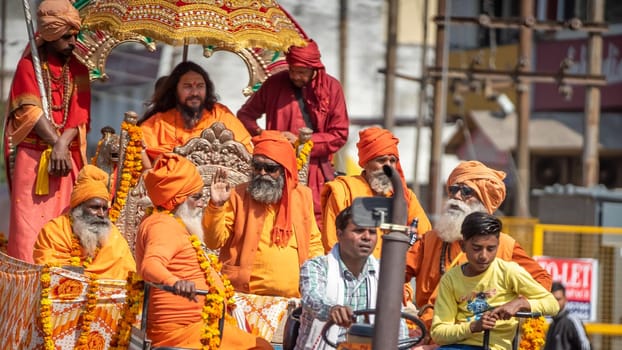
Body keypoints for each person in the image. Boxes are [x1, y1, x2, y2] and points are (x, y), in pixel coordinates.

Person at [136, 153, 271, 349]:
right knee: (260, 347)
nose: (201, 203)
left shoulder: (169, 222)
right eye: (197, 197)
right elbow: (150, 265)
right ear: (177, 199)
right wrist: (176, 282)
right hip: (182, 333)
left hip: (196, 326)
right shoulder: (163, 225)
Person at [405, 160, 552, 332]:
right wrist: (406, 302)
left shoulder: (504, 245)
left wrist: (517, 303)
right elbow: (396, 274)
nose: (457, 196)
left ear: (483, 204)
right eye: (453, 189)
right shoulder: (430, 240)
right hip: (427, 331)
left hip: (479, 336)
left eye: (466, 192)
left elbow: (542, 281)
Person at [4, 0, 91, 263]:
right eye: (66, 37)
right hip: (32, 160)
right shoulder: (28, 66)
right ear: (49, 36)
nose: (73, 42)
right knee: (28, 232)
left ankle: (60, 292)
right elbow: (28, 110)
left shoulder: (79, 70)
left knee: (64, 226)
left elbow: (81, 119)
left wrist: (62, 144)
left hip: (67, 162)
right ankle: (26, 297)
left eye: (75, 35)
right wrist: (56, 143)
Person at [237, 39, 349, 225]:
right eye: (292, 70)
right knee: (271, 217)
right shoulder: (274, 83)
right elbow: (245, 115)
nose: (296, 76)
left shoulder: (332, 88)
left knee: (312, 221)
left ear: (315, 69)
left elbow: (339, 134)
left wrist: (301, 142)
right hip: (275, 169)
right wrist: (267, 137)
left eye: (302, 72)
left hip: (315, 171)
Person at [203, 131, 324, 298]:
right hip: (245, 296)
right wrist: (216, 205)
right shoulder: (238, 195)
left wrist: (317, 282)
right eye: (257, 166)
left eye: (270, 168)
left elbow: (313, 243)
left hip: (293, 299)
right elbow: (213, 242)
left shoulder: (302, 196)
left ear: (284, 170)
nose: (262, 173)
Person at [430, 212, 559, 350]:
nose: (484, 256)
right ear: (463, 245)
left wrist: (520, 303)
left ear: (498, 245)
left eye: (491, 249)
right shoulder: (450, 279)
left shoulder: (509, 272)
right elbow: (438, 333)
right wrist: (473, 326)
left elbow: (552, 305)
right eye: (476, 248)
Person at [321, 126, 432, 258]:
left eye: (392, 161)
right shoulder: (342, 191)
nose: (388, 167)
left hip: (395, 275)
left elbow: (424, 240)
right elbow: (331, 243)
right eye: (381, 160)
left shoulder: (406, 198)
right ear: (365, 163)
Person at [295, 205, 382, 349]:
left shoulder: (383, 273)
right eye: (359, 230)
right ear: (339, 234)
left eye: (372, 232)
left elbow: (398, 322)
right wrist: (332, 310)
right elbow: (312, 297)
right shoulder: (316, 266)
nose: (367, 237)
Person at [33, 165, 135, 280]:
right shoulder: (54, 231)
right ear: (78, 208)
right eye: (95, 207)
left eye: (104, 208)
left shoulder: (113, 236)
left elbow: (127, 275)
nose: (101, 214)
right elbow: (51, 272)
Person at [140, 61, 253, 163]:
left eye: (200, 86)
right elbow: (139, 148)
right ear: (175, 90)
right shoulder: (159, 123)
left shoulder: (221, 115)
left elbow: (246, 152)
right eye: (187, 86)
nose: (195, 93)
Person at [544, 282, 592, 350]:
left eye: (558, 299)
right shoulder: (552, 325)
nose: (555, 303)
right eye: (552, 300)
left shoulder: (571, 321)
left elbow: (586, 347)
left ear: (565, 299)